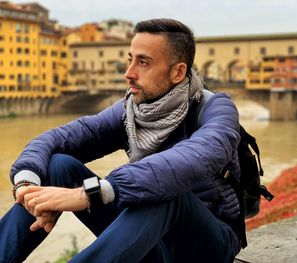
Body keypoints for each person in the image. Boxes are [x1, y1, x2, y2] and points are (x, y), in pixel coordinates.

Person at [0, 18, 244, 263]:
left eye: (143, 62)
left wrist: (90, 194)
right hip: (146, 237)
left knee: (166, 192)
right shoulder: (130, 111)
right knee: (58, 164)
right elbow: (58, 139)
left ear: (178, 72)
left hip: (206, 247)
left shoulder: (216, 109)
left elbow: (192, 159)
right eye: (130, 59)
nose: (129, 73)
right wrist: (26, 185)